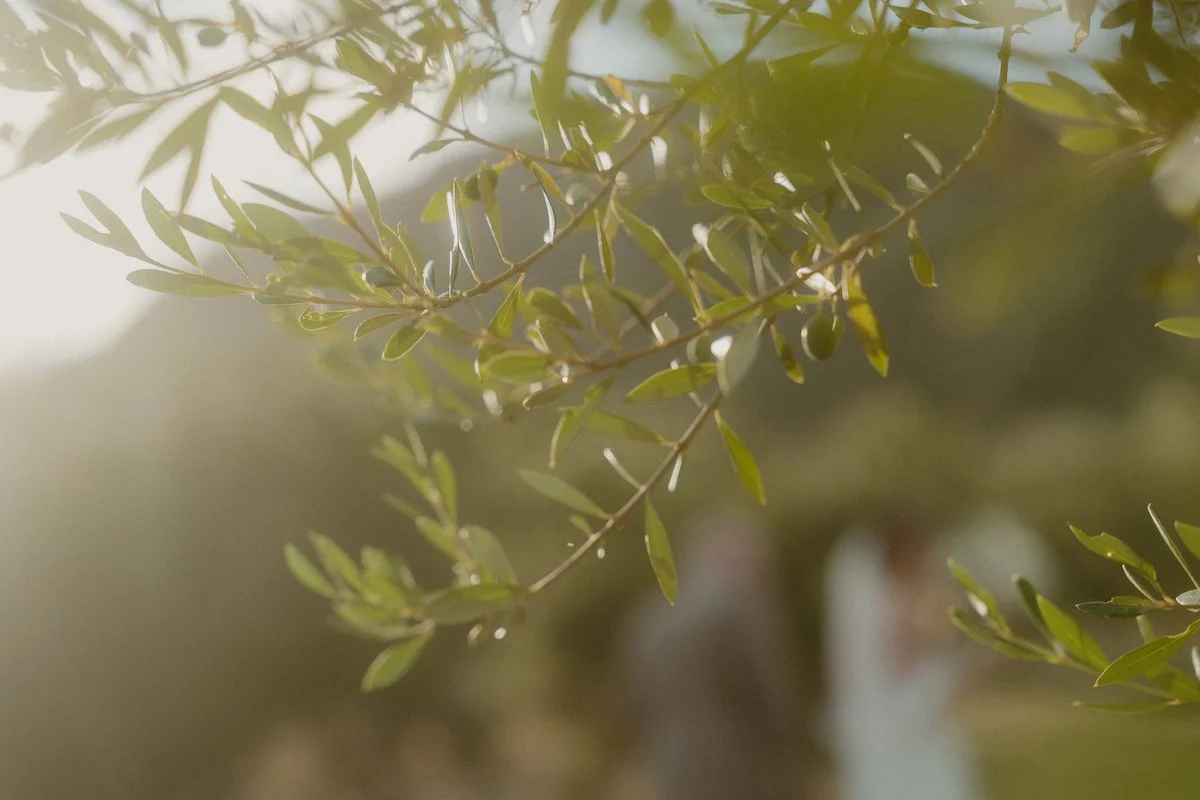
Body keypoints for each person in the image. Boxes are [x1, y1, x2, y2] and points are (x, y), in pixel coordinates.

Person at [621, 514, 813, 800]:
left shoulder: (648, 619)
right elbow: (770, 694)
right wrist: (792, 760)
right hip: (739, 767)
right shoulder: (738, 609)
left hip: (671, 765)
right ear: (734, 559)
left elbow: (633, 700)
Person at [824, 518, 983, 800]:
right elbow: (906, 657)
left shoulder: (892, 597)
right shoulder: (896, 604)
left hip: (902, 711)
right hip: (905, 709)